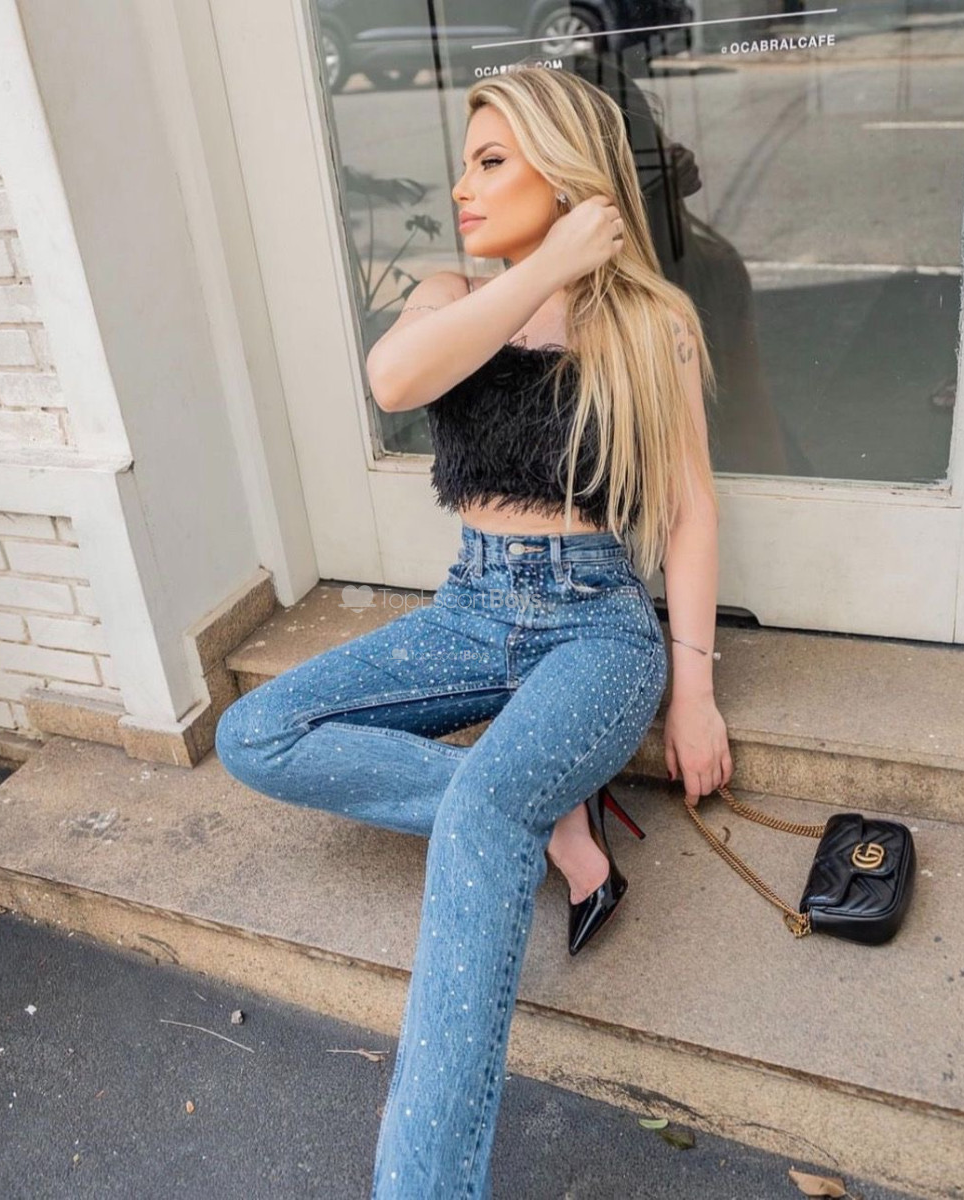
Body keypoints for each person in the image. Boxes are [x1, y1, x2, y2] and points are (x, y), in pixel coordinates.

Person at [215, 65, 732, 1200]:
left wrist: (692, 692)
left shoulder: (653, 325)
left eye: (492, 161)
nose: (461, 186)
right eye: (465, 163)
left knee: (483, 814)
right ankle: (556, 825)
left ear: (569, 171)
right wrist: (546, 268)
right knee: (255, 732)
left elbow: (690, 511)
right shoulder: (451, 295)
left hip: (596, 627)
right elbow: (396, 379)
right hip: (469, 607)